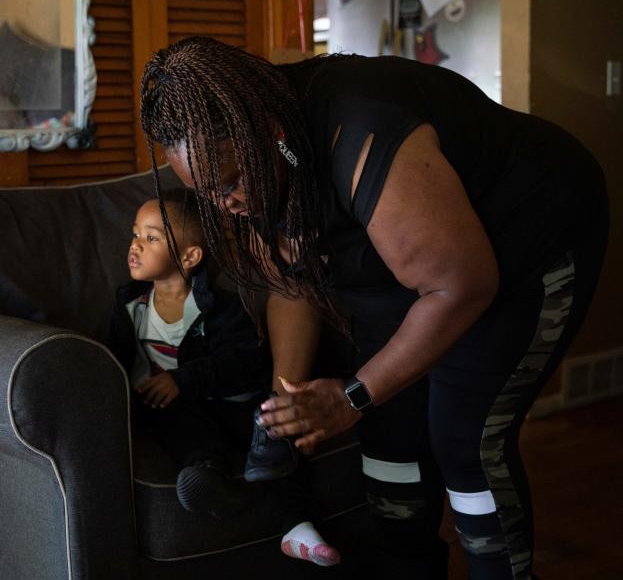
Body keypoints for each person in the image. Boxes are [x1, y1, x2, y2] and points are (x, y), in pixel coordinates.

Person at [138, 36, 608, 579]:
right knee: (389, 439)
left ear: (271, 135)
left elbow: (458, 287)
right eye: (208, 194)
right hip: (416, 269)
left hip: (528, 237)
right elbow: (292, 284)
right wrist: (282, 407)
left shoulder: (359, 131)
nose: (227, 205)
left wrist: (352, 396)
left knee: (466, 440)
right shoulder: (256, 166)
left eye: (229, 185)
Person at [106, 189, 340, 566]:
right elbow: (115, 357)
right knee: (177, 421)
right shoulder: (130, 305)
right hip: (181, 410)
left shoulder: (221, 308)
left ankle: (298, 526)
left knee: (277, 429)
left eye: (151, 238)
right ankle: (212, 481)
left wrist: (184, 378)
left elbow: (243, 360)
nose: (136, 246)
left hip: (235, 400)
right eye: (135, 234)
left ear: (189, 256)